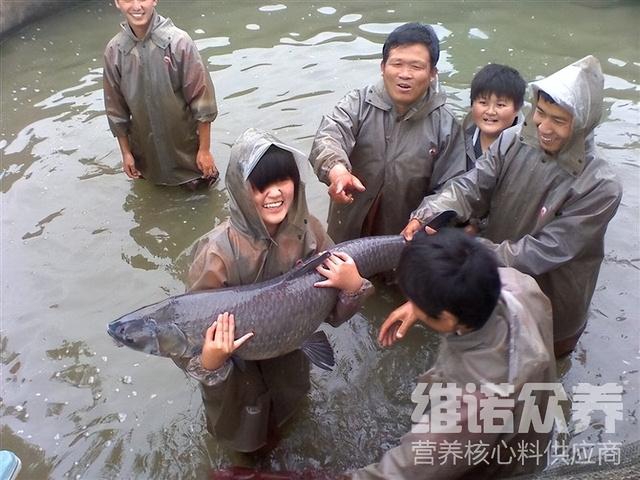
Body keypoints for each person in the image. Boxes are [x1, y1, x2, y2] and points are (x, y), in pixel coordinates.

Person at [403, 55, 622, 357]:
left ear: (583, 123)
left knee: (543, 366)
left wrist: (470, 255)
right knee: (489, 352)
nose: (544, 127)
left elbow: (545, 250)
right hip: (494, 275)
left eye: (558, 120)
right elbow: (471, 186)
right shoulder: (511, 140)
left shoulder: (600, 186)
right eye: (540, 113)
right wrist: (430, 212)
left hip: (555, 294)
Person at [178, 128, 373, 453]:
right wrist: (210, 361)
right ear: (241, 190)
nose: (274, 193)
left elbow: (332, 313)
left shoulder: (310, 232)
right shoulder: (217, 253)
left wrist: (354, 288)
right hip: (236, 378)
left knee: (293, 421)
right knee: (241, 440)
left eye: (283, 181)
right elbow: (183, 335)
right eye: (261, 185)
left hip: (292, 357)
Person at [352, 229, 556, 479]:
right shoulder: (517, 285)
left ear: (448, 318)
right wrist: (425, 302)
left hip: (492, 463)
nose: (411, 303)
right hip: (530, 426)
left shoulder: (475, 403)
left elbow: (404, 471)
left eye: (415, 300)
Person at [308, 22, 465, 243]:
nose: (405, 74)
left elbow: (454, 186)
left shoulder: (446, 125)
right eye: (397, 63)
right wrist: (338, 172)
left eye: (416, 67)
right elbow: (329, 135)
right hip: (347, 232)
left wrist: (424, 217)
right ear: (383, 67)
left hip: (406, 239)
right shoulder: (359, 103)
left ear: (432, 73)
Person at [103, 0, 219, 189]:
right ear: (117, 3)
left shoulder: (180, 42)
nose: (136, 6)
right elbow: (116, 109)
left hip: (188, 154)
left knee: (202, 196)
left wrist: (204, 150)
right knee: (151, 205)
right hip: (147, 158)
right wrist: (126, 153)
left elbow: (203, 102)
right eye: (127, 0)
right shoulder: (115, 51)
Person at [464, 63, 526, 170]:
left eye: (500, 105)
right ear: (472, 103)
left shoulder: (525, 152)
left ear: (517, 109)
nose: (491, 111)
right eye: (483, 103)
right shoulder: (461, 139)